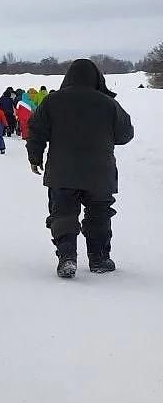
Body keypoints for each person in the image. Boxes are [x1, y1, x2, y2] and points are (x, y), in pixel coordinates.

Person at [28, 59, 134, 278]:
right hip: (100, 171)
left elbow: (36, 130)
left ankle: (67, 257)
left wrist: (35, 158)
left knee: (63, 212)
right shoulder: (107, 103)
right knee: (99, 214)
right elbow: (125, 135)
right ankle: (99, 258)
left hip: (62, 170)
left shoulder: (52, 101)